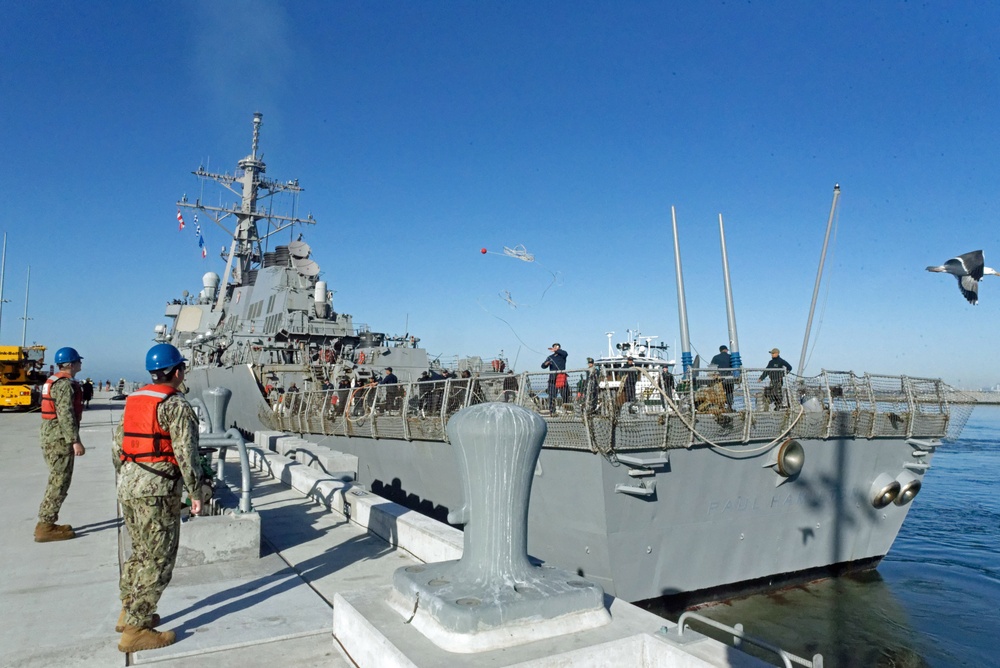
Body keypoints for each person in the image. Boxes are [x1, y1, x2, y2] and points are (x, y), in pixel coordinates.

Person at [113, 343, 202, 653]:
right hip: (158, 491)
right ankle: (136, 630)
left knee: (139, 551)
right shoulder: (176, 405)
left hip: (128, 485)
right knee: (160, 560)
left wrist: (126, 478)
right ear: (177, 372)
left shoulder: (134, 400)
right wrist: (196, 491)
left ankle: (129, 610)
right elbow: (186, 453)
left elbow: (118, 446)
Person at [34, 346, 86, 543]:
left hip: (50, 435)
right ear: (71, 364)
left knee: (57, 479)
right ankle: (45, 525)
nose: (81, 364)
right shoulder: (64, 385)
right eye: (78, 361)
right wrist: (75, 441)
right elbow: (65, 414)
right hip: (59, 439)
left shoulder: (54, 382)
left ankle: (47, 522)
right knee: (59, 481)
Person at [541, 343, 568, 412]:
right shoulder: (550, 357)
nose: (555, 348)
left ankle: (568, 408)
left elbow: (565, 354)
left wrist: (557, 350)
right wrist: (546, 364)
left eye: (557, 347)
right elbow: (543, 366)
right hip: (552, 378)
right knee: (552, 394)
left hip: (561, 376)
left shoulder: (562, 355)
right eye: (554, 347)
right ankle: (552, 410)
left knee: (565, 394)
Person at [710, 345, 735, 410]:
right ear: (726, 350)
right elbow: (736, 365)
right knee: (729, 392)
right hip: (729, 378)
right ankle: (729, 406)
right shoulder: (731, 357)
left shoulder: (715, 357)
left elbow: (711, 367)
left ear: (720, 350)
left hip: (719, 379)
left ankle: (720, 407)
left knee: (719, 393)